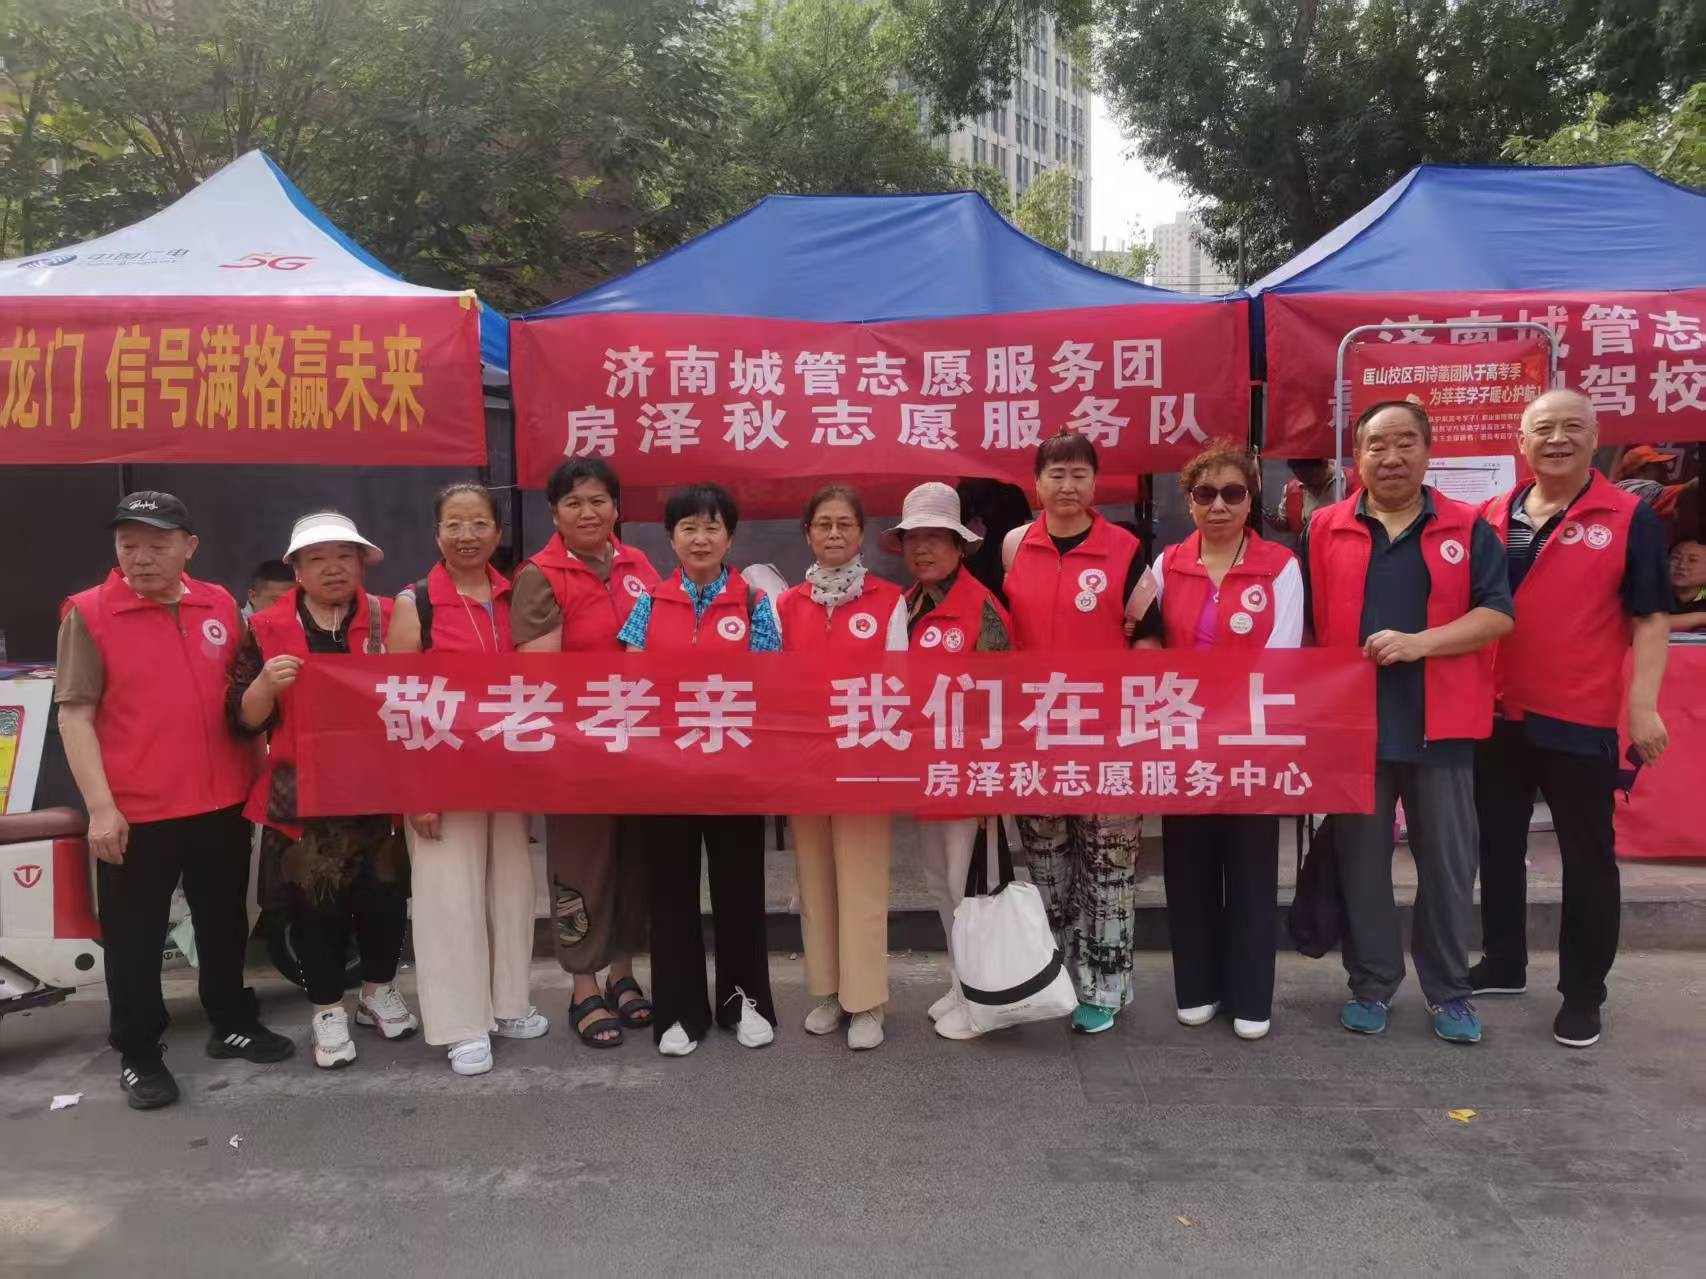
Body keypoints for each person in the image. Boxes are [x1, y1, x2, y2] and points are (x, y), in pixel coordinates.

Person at [55, 492, 293, 1109]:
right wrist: (101, 808)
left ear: (189, 546)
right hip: (138, 811)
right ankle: (138, 1052)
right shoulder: (90, 613)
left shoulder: (219, 604)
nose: (140, 557)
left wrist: (261, 776)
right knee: (134, 938)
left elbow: (243, 698)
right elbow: (75, 717)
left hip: (221, 802)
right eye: (128, 545)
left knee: (223, 922)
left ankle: (231, 1020)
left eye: (157, 545)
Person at [1302, 401, 1513, 1045]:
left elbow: (1497, 616)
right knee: (1362, 867)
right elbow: (1305, 625)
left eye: (1404, 444)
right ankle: (1372, 984)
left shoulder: (1468, 527)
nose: (1390, 458)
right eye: (1377, 445)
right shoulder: (1325, 527)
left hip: (1440, 727)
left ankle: (1449, 992)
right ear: (1357, 455)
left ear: (1427, 450)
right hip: (1355, 729)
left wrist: (1422, 643)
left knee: (1447, 869)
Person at [1471, 389, 1673, 1049]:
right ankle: (1503, 960)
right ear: (1521, 442)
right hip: (1496, 710)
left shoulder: (1629, 516)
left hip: (1578, 715)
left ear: (1595, 437)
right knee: (1496, 842)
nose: (1556, 439)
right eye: (1543, 429)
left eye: (1571, 427)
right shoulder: (1492, 514)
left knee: (1587, 857)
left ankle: (1583, 993)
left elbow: (1651, 617)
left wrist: (1642, 705)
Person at [231, 511, 418, 1069]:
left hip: (378, 779)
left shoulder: (391, 617)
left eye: (344, 556)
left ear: (361, 563)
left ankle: (378, 991)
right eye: (317, 558)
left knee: (386, 897)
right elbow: (243, 718)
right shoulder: (264, 628)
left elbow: (420, 691)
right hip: (298, 784)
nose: (332, 568)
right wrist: (265, 684)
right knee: (315, 903)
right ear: (297, 569)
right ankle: (327, 1009)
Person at [387, 483, 548, 1076]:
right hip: (442, 774)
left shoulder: (514, 596)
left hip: (505, 773)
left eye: (479, 523)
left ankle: (508, 1004)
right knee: (448, 898)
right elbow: (399, 703)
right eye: (454, 524)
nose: (467, 535)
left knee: (511, 891)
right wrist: (416, 790)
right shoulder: (415, 604)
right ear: (437, 534)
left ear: (497, 533)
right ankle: (461, 1024)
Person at [999, 431, 1156, 1035]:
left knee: (1109, 867)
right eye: (1056, 474)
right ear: (1036, 484)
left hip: (1107, 736)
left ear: (1096, 482)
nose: (1067, 486)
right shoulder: (1014, 546)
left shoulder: (1126, 549)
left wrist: (1136, 722)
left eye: (1079, 474)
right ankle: (1060, 978)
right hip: (1034, 734)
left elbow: (1149, 639)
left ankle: (1106, 987)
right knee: (1047, 865)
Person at [618, 483, 781, 1058]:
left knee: (740, 891)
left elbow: (771, 689)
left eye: (712, 527)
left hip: (735, 774)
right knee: (670, 896)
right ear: (671, 538)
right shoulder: (648, 603)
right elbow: (632, 688)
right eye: (688, 527)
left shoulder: (755, 603)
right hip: (666, 774)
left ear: (729, 537)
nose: (700, 538)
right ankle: (679, 1011)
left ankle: (745, 1003)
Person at [1154, 442, 1304, 1042]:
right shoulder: (1166, 565)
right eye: (1205, 494)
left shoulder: (1280, 566)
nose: (1219, 505)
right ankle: (1197, 986)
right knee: (1187, 866)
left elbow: (1283, 656)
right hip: (1182, 738)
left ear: (1251, 499)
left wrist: (1237, 727)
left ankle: (1249, 994)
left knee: (1250, 868)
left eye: (1233, 493)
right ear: (1189, 502)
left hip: (1252, 741)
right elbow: (1144, 645)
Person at [511, 458, 660, 1048]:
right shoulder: (540, 575)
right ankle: (582, 987)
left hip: (638, 748)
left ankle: (623, 975)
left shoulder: (638, 565)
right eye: (573, 503)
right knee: (581, 867)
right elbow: (540, 677)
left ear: (616, 508)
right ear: (554, 514)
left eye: (599, 500)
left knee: (632, 863)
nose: (588, 512)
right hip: (576, 752)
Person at [776, 485, 908, 1051]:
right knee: (815, 881)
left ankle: (867, 1000)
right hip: (805, 766)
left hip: (863, 764)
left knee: (862, 882)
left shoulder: (888, 600)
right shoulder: (786, 605)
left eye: (844, 524)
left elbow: (900, 685)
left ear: (860, 534)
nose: (834, 534)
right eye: (823, 524)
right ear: (807, 534)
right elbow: (774, 687)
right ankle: (829, 992)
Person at [881, 482, 1013, 1041]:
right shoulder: (906, 605)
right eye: (914, 538)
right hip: (925, 772)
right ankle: (962, 982)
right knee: (939, 884)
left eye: (936, 537)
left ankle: (984, 1000)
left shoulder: (983, 609)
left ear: (960, 546)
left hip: (969, 777)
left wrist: (990, 788)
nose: (923, 548)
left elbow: (1005, 700)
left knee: (970, 890)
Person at [1266, 458, 1340, 541]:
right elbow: (1288, 524)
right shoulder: (1292, 489)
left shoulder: (1347, 481)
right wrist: (1278, 524)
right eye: (1300, 478)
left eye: (1310, 477)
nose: (1306, 484)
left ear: (1324, 463)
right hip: (1308, 546)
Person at [1669, 538, 1706, 632]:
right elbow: (1644, 625)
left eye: (1692, 560)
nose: (1681, 566)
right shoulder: (1652, 594)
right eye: (1675, 558)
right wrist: (1701, 618)